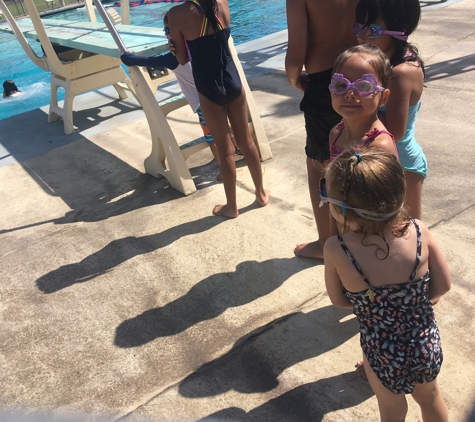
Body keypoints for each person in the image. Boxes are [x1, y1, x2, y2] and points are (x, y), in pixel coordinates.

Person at [323, 148, 451, 422]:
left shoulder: (337, 248)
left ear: (339, 208)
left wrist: (369, 305)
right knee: (429, 398)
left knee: (392, 409)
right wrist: (414, 304)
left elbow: (338, 299)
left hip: (380, 349)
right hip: (424, 342)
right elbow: (443, 287)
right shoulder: (418, 231)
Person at [167, 0, 270, 218]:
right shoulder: (221, 3)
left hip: (207, 85)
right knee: (246, 141)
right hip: (232, 79)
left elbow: (183, 59)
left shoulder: (176, 14)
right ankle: (261, 194)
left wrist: (175, 47)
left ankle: (231, 207)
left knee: (225, 149)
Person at [285, 0, 360, 260]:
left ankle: (325, 242)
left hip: (325, 83)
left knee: (319, 164)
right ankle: (363, 234)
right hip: (364, 76)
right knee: (363, 155)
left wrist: (294, 78)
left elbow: (296, 52)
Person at [120, 12, 223, 180]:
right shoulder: (199, 45)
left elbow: (150, 62)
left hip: (202, 104)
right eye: (166, 30)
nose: (168, 34)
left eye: (168, 30)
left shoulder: (174, 57)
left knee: (212, 138)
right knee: (224, 131)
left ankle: (224, 168)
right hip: (219, 95)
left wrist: (127, 57)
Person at [354, 0, 426, 220]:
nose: (361, 36)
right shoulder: (382, 62)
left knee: (409, 230)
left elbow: (395, 132)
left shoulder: (401, 72)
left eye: (372, 30)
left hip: (403, 164)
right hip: (382, 158)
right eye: (358, 27)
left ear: (399, 29)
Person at [329, 44, 398, 161]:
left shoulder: (380, 146)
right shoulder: (336, 133)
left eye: (363, 86)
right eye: (341, 85)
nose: (349, 94)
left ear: (383, 97)